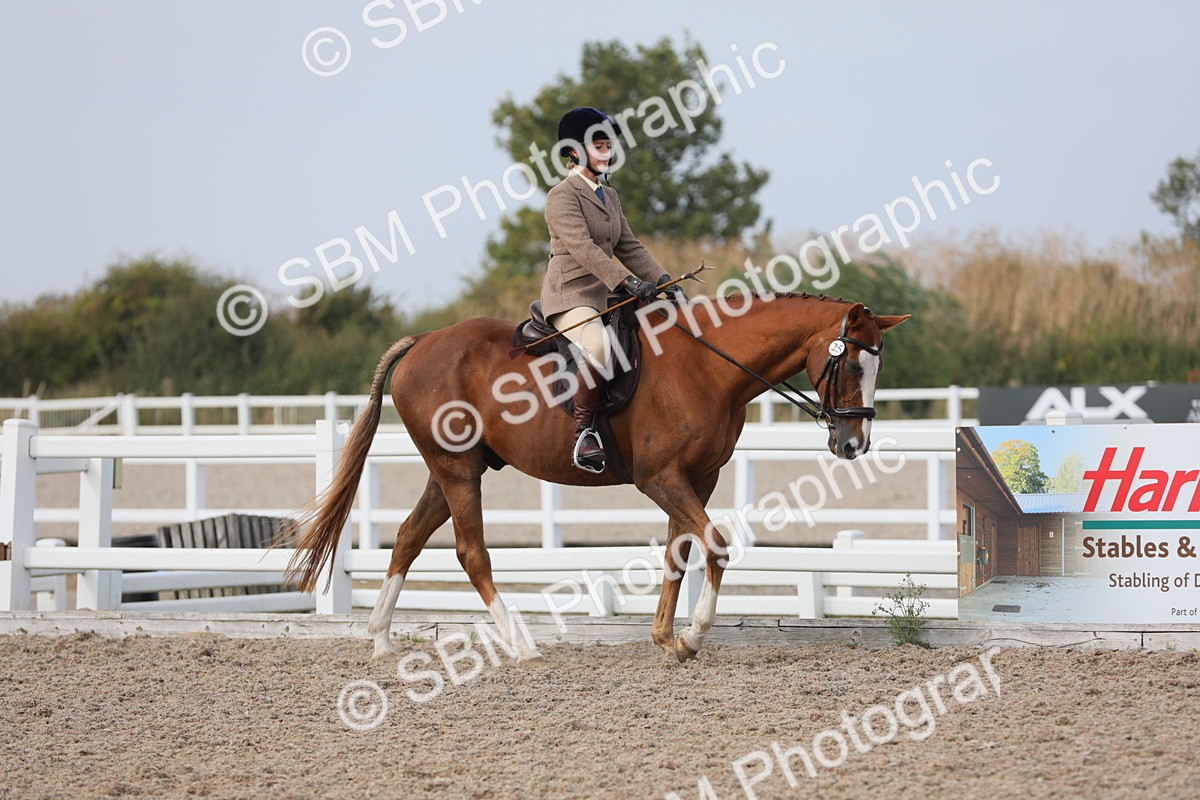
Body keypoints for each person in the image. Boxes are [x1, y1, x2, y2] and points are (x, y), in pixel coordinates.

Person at [541, 107, 686, 473]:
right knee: (600, 345)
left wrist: (665, 282)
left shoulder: (610, 196)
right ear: (574, 150)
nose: (607, 153)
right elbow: (584, 249)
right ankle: (584, 432)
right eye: (599, 146)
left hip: (606, 295)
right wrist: (628, 282)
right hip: (570, 294)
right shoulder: (561, 196)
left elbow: (629, 247)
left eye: (608, 146)